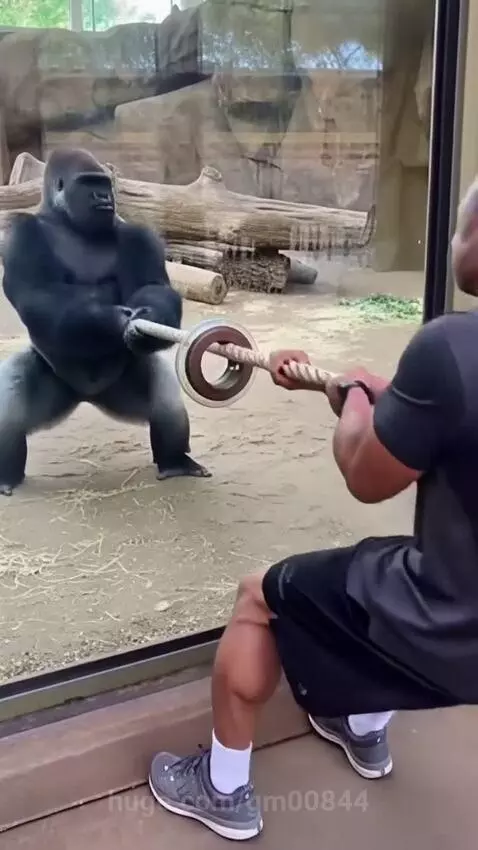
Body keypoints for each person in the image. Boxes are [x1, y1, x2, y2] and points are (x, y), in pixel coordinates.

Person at [148, 180, 478, 841]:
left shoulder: (450, 348)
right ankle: (362, 727)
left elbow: (366, 474)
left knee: (261, 599)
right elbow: (436, 435)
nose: (452, 239)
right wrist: (374, 398)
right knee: (381, 573)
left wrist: (356, 405)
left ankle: (222, 787)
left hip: (452, 627)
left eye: (463, 227)